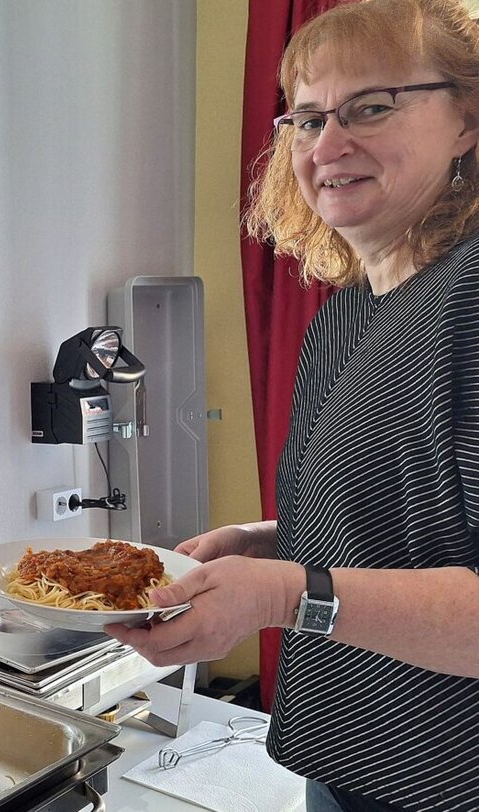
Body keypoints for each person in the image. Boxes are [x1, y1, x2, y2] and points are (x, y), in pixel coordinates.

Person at [106, 2, 479, 810]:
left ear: (467, 120)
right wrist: (269, 541)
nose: (327, 145)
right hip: (343, 758)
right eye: (307, 118)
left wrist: (281, 592)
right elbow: (418, 522)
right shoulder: (348, 311)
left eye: (372, 106)